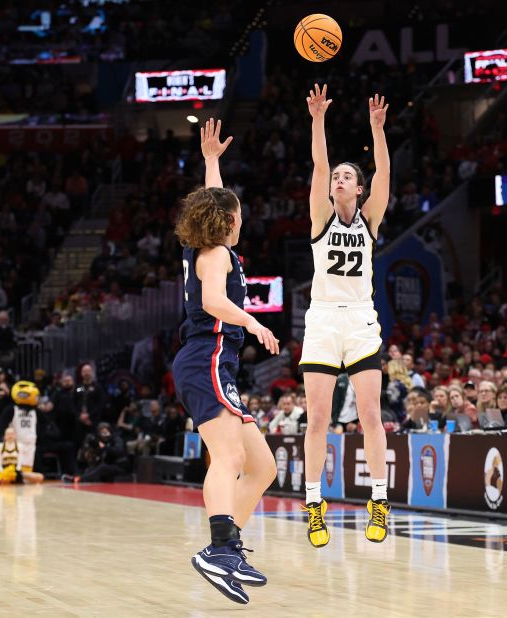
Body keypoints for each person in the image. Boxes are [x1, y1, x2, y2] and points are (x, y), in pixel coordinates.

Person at [171, 118, 278, 605]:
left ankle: (228, 547)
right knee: (230, 458)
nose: (241, 217)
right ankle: (218, 548)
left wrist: (212, 161)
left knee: (263, 467)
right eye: (237, 213)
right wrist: (253, 322)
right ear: (229, 222)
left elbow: (214, 201)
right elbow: (214, 301)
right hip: (207, 355)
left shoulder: (208, 246)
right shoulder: (214, 256)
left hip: (216, 362)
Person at [300, 84, 392, 547]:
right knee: (318, 420)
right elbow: (318, 165)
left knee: (369, 417)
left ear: (358, 188)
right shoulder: (321, 216)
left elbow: (385, 174)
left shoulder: (370, 218)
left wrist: (377, 131)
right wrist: (317, 119)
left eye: (346, 176)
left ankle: (379, 500)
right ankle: (314, 504)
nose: (338, 179)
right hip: (321, 320)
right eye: (336, 175)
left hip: (359, 319)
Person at [7, 381, 39, 473]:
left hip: (30, 443)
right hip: (15, 444)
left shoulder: (35, 411)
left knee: (28, 470)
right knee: (15, 470)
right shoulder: (12, 409)